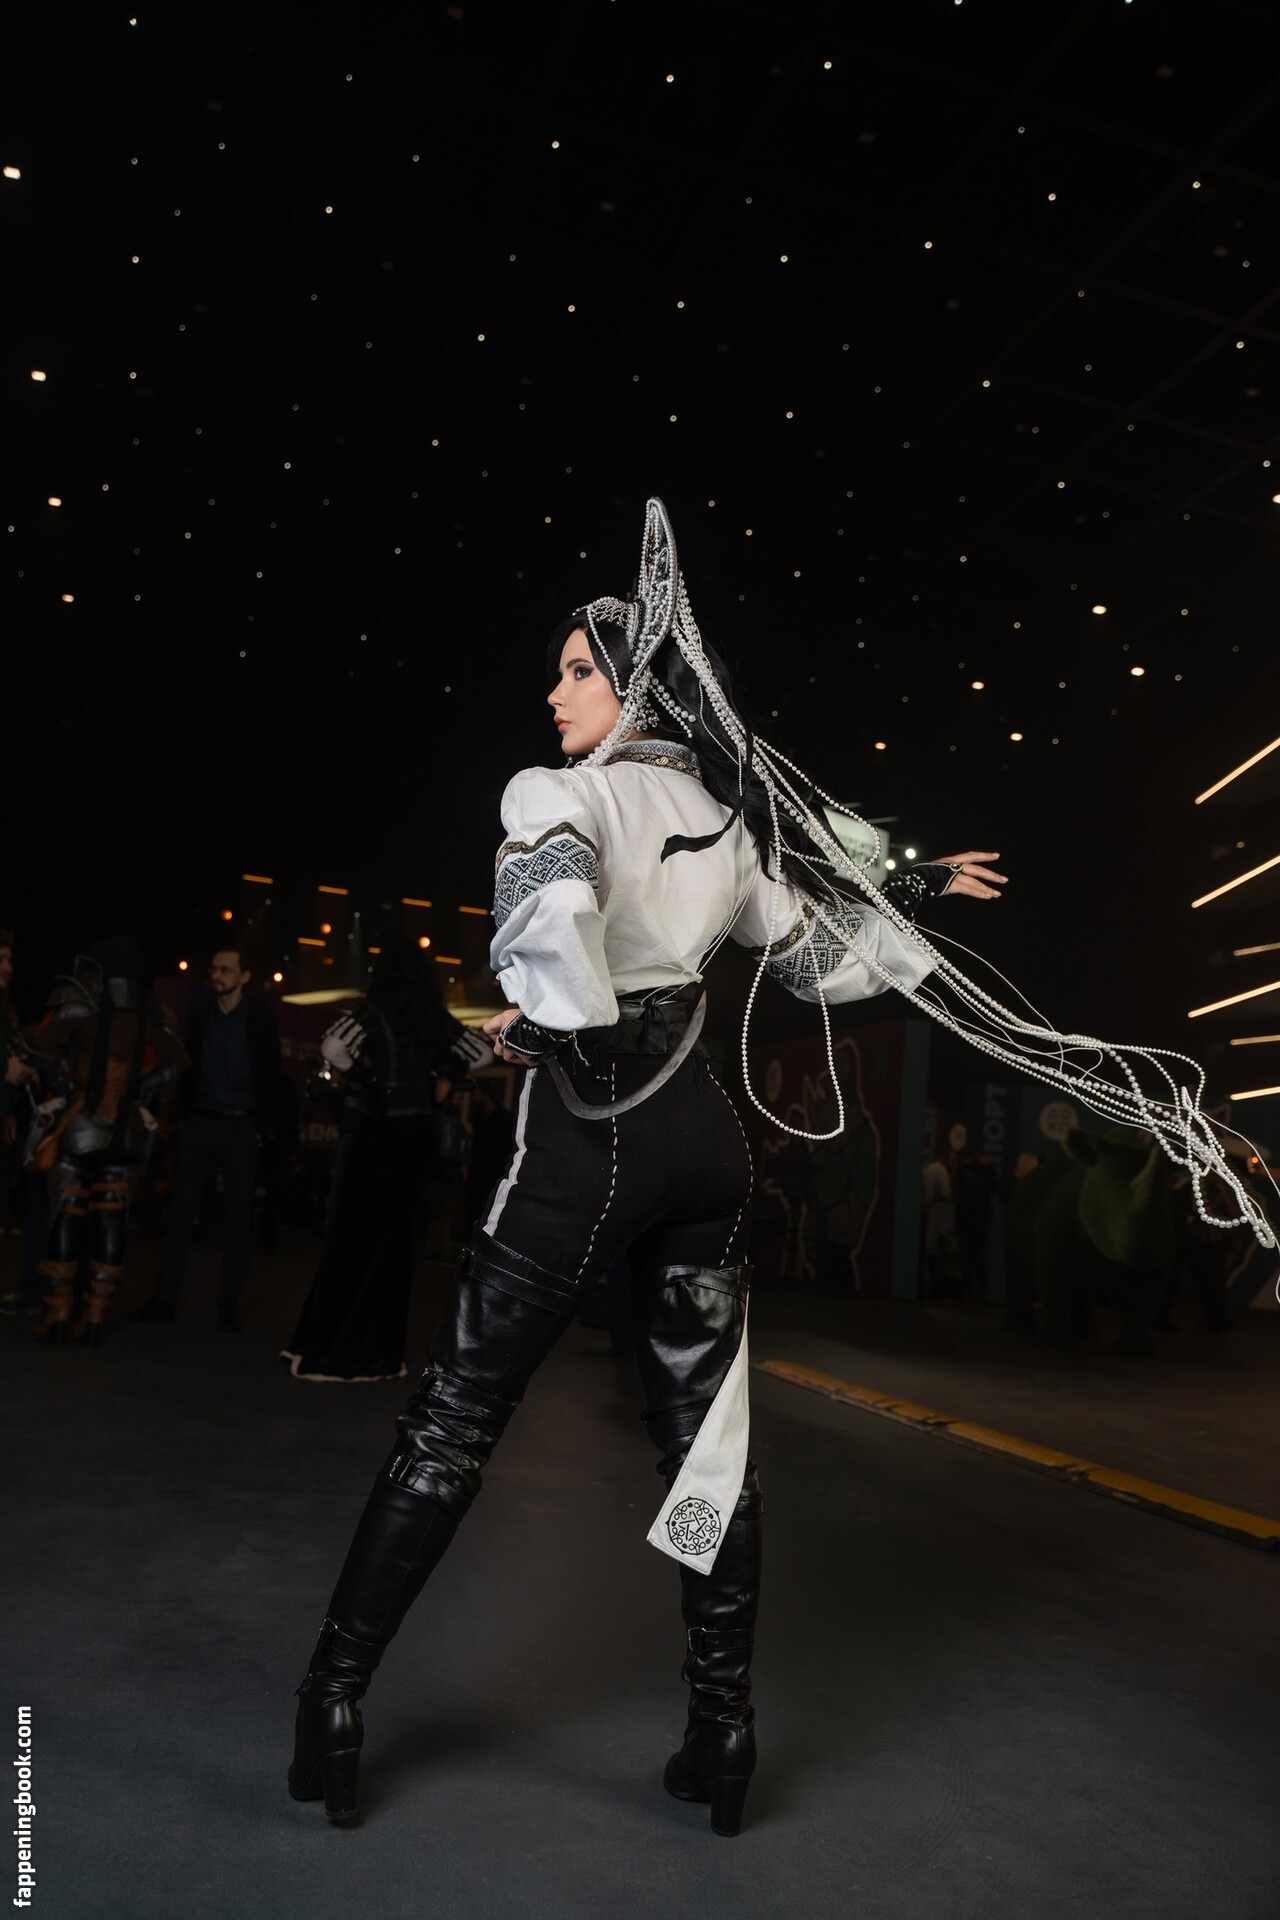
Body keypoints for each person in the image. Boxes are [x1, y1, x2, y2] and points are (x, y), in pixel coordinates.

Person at [285, 498, 1001, 1838]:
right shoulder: (727, 826)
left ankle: (330, 1701)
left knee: (451, 1426)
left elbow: (552, 914)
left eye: (577, 670)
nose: (555, 694)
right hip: (705, 1152)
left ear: (636, 686)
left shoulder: (557, 793)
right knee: (706, 1453)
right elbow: (816, 958)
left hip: (590, 1137)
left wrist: (563, 1013)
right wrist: (910, 892)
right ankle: (721, 1734)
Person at [281, 944, 492, 1383]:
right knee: (396, 1246)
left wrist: (368, 1080)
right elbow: (482, 1053)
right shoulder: (433, 1016)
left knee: (352, 1238)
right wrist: (443, 1075)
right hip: (417, 1135)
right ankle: (379, 1352)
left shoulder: (373, 1009)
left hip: (377, 1134)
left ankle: (327, 1346)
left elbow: (333, 1046)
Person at [21, 938, 186, 1345]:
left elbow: (39, 1043)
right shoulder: (149, 1012)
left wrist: (64, 1083)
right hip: (126, 1130)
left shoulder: (83, 1003)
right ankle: (95, 1315)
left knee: (66, 1210)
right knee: (111, 1218)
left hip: (82, 1123)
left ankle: (59, 1312)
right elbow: (179, 1062)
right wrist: (137, 1088)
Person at [130, 943, 282, 1332]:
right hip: (200, 1122)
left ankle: (228, 1305)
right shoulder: (200, 1016)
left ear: (244, 976)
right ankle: (164, 1298)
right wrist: (181, 1118)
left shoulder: (260, 1020)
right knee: (180, 1214)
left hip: (240, 1125)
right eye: (214, 969)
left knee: (237, 1221)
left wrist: (261, 1127)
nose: (216, 976)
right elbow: (187, 1068)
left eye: (226, 970)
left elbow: (272, 1075)